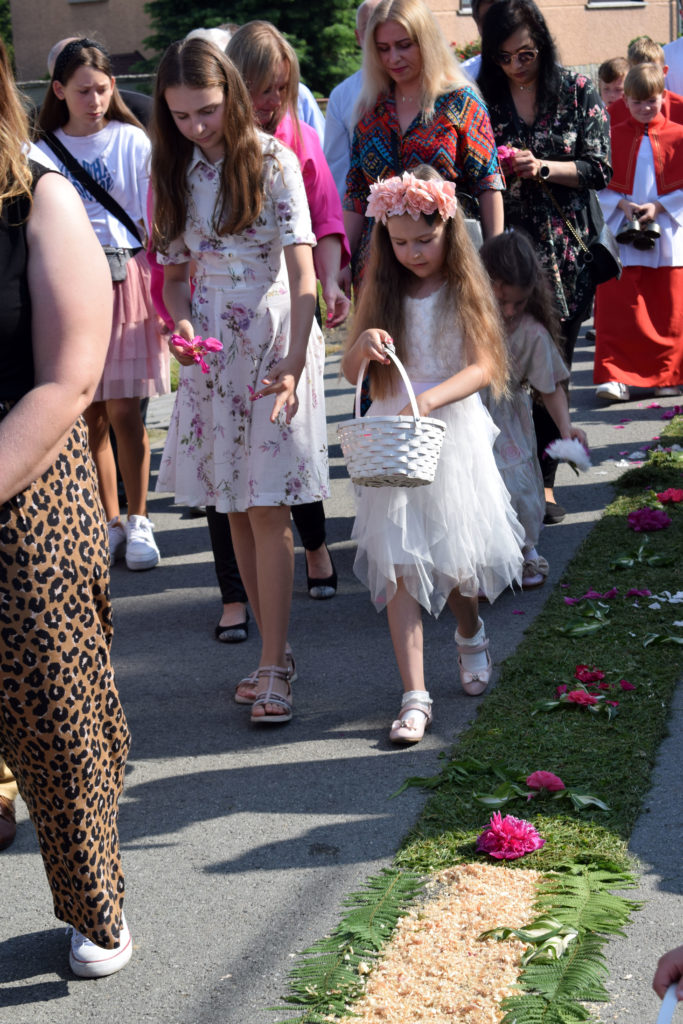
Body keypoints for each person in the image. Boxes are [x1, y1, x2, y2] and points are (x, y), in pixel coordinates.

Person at [0, 38, 132, 975]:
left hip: (27, 485)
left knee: (57, 717)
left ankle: (96, 908)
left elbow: (70, 378)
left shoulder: (37, 198)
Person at [151, 38, 329, 724]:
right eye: (181, 115)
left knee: (268, 508)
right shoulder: (175, 168)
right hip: (212, 353)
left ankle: (275, 663)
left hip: (273, 341)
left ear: (229, 92)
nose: (196, 126)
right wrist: (180, 326)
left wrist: (295, 361)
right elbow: (172, 278)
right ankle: (272, 656)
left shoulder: (273, 159)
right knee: (233, 508)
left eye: (206, 110)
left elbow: (305, 276)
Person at [341, 167, 523, 744]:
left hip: (447, 429)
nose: (412, 253)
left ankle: (469, 632)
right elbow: (349, 372)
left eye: (424, 240)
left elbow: (484, 366)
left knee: (455, 561)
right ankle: (414, 695)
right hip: (393, 431)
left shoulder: (462, 288)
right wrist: (363, 346)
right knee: (397, 562)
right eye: (399, 243)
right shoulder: (384, 290)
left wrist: (429, 399)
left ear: (449, 231)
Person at [201, 20, 346, 639]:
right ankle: (237, 599)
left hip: (285, 322)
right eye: (261, 88)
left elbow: (326, 223)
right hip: (219, 336)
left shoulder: (293, 145)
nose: (271, 101)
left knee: (280, 481)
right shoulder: (197, 157)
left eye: (281, 88)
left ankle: (314, 550)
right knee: (227, 486)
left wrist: (331, 281)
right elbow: (178, 253)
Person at [477, 0, 611, 526]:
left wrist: (543, 167)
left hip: (565, 257)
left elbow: (600, 168)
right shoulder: (483, 98)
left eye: (525, 54)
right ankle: (508, 480)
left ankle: (545, 481)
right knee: (505, 369)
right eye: (503, 56)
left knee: (551, 369)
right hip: (506, 258)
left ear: (543, 44)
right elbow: (470, 175)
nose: (515, 65)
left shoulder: (576, 91)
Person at [36, 38, 168, 571]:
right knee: (86, 410)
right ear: (58, 91)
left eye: (101, 88)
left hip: (125, 273)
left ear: (113, 87)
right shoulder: (40, 150)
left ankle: (140, 519)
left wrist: (163, 288)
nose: (93, 100)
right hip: (70, 279)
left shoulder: (132, 140)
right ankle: (109, 520)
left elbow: (153, 217)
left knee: (124, 411)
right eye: (82, 91)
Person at [344, 0, 505, 294]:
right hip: (378, 272)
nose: (393, 57)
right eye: (383, 48)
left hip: (450, 265)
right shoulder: (370, 109)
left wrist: (495, 258)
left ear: (426, 41)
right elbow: (356, 193)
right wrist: (343, 260)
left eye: (404, 45)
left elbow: (488, 183)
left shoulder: (461, 101)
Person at [480, 231, 587, 588]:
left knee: (518, 485)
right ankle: (481, 557)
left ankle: (526, 548)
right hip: (466, 413)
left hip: (507, 417)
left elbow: (550, 387)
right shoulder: (463, 317)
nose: (510, 312)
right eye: (502, 301)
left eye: (519, 303)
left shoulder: (531, 331)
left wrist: (566, 428)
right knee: (475, 486)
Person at [594, 63, 683, 401]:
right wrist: (622, 204)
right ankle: (613, 376)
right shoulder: (609, 135)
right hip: (621, 229)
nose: (645, 108)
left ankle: (667, 375)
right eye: (637, 101)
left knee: (667, 310)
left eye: (652, 100)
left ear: (663, 97)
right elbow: (596, 184)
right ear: (626, 101)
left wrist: (660, 207)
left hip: (669, 232)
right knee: (619, 308)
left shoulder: (680, 135)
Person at [324, 0, 382, 201]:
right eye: (369, 26)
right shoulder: (342, 96)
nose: (378, 33)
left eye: (382, 23)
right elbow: (338, 170)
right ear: (358, 37)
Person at [608, 37, 683, 129]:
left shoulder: (680, 107)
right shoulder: (615, 111)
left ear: (664, 71)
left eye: (652, 71)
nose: (645, 77)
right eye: (637, 71)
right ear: (628, 73)